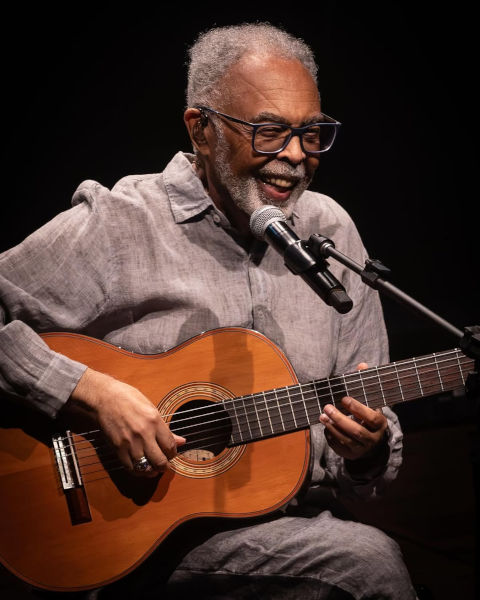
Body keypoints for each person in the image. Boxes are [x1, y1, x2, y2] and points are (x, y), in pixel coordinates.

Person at [0, 23, 418, 599]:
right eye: (270, 132)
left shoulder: (330, 230)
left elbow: (367, 470)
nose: (296, 156)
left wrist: (366, 452)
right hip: (135, 538)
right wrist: (89, 392)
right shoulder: (123, 221)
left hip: (289, 532)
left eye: (311, 133)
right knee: (367, 566)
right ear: (202, 130)